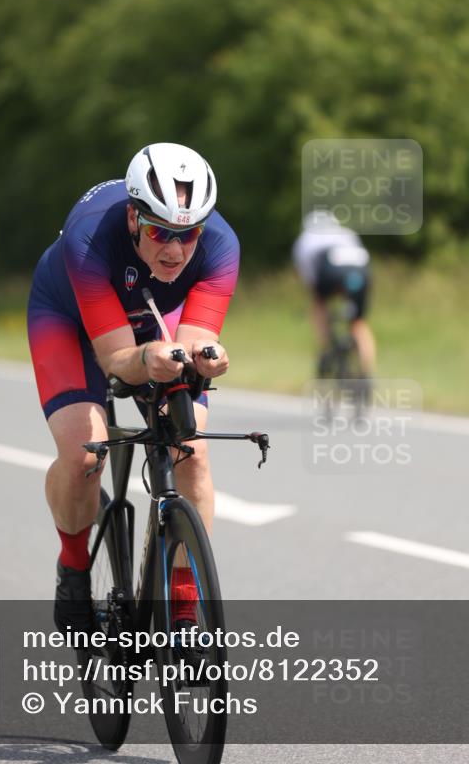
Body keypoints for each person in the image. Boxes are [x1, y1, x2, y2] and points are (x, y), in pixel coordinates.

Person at [27, 143, 240, 635]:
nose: (174, 250)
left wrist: (206, 359)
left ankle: (185, 604)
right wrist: (150, 359)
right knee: (84, 456)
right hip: (69, 317)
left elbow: (193, 346)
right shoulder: (88, 236)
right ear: (132, 217)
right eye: (158, 231)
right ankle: (74, 569)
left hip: (146, 315)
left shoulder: (222, 246)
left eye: (188, 236)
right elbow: (118, 361)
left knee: (192, 449)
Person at [292, 210, 376, 375]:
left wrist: (319, 294)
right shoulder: (346, 233)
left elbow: (309, 277)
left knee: (319, 302)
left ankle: (325, 346)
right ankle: (367, 372)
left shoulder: (305, 240)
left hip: (331, 268)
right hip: (361, 270)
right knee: (358, 322)